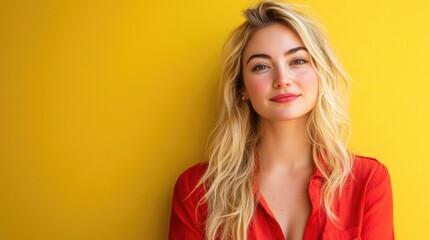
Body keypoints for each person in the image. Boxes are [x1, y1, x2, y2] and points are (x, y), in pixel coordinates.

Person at [169, 0, 394, 239]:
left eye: (297, 61)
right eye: (261, 66)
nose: (282, 79)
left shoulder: (367, 181)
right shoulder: (196, 191)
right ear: (242, 88)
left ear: (320, 73)